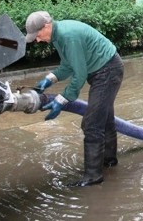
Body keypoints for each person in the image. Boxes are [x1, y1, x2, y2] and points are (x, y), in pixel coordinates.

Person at [24, 11, 124, 187]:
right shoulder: (58, 36)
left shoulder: (68, 36)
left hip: (107, 71)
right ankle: (109, 161)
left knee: (92, 123)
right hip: (104, 69)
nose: (37, 40)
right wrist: (49, 79)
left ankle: (93, 177)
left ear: (46, 26)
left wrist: (62, 101)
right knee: (104, 119)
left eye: (38, 35)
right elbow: (67, 66)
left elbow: (79, 75)